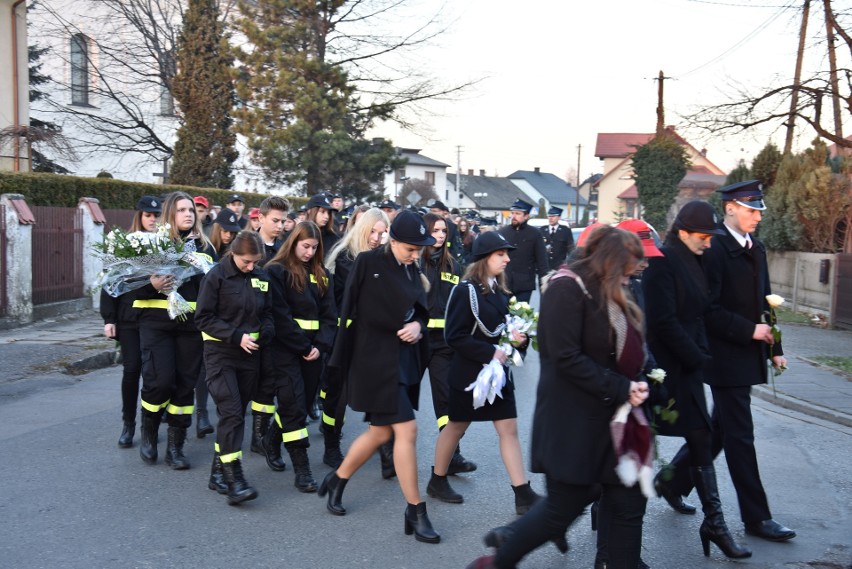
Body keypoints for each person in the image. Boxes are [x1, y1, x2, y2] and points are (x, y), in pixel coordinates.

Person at [467, 226, 651, 569]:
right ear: (609, 264)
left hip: (613, 422)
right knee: (561, 510)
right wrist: (621, 387)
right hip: (573, 424)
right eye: (626, 273)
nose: (629, 281)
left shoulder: (608, 290)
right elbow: (565, 358)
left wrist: (640, 380)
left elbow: (624, 348)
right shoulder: (566, 289)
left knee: (628, 506)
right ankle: (498, 561)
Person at [656, 181, 795, 543]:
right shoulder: (713, 249)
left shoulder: (757, 248)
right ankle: (756, 518)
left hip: (749, 353)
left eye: (759, 211)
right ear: (730, 208)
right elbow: (708, 309)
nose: (757, 217)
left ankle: (670, 480)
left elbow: (767, 302)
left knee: (718, 429)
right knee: (740, 436)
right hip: (723, 355)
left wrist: (774, 346)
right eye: (751, 210)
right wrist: (750, 331)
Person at [320, 210, 440, 544]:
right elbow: (349, 311)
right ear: (394, 240)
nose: (416, 254)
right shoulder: (368, 262)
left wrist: (418, 325)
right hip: (373, 361)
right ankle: (415, 510)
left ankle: (338, 479)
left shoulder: (411, 267)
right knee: (407, 429)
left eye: (420, 248)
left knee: (379, 433)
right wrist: (341, 360)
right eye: (411, 248)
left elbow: (419, 309)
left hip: (401, 360)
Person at [642, 200, 752, 559]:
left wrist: (701, 354)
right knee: (638, 442)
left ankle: (714, 523)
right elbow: (663, 322)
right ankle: (597, 507)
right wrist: (696, 357)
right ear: (684, 232)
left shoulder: (699, 260)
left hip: (689, 365)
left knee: (702, 437)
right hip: (666, 369)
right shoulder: (661, 262)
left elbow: (703, 312)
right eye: (704, 236)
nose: (709, 242)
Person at [428, 230, 540, 516]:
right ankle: (437, 480)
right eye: (500, 254)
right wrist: (490, 353)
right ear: (484, 258)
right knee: (456, 427)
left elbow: (506, 331)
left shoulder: (501, 291)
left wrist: (520, 341)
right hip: (469, 375)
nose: (506, 259)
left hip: (498, 376)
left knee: (508, 429)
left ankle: (522, 493)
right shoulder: (466, 290)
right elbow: (454, 336)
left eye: (507, 255)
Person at [133, 191, 217, 469]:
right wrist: (152, 286)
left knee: (184, 386)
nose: (188, 214)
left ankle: (175, 447)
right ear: (170, 214)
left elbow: (214, 289)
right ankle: (148, 431)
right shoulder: (151, 245)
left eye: (191, 210)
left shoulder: (205, 248)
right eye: (181, 210)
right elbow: (128, 285)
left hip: (190, 325)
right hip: (156, 323)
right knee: (160, 381)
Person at [195, 230, 274, 504]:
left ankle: (217, 473)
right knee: (232, 414)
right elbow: (203, 318)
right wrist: (236, 336)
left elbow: (267, 315)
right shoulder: (216, 277)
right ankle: (234, 480)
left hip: (250, 357)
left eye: (255, 262)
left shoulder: (261, 278)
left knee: (236, 415)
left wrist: (263, 333)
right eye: (246, 262)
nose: (251, 267)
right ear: (233, 254)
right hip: (221, 355)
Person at [262, 221, 337, 492]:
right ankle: (302, 469)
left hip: (314, 351)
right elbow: (279, 316)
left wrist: (321, 345)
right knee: (293, 406)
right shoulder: (276, 271)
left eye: (315, 248)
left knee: (302, 405)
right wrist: (304, 347)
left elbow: (330, 316)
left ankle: (272, 438)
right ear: (293, 243)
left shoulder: (321, 273)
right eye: (305, 246)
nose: (309, 252)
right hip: (286, 350)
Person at [321, 208, 390, 468]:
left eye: (381, 233)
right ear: (362, 229)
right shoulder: (346, 259)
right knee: (337, 397)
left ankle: (385, 450)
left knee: (377, 395)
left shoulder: (380, 259)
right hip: (344, 337)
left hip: (371, 339)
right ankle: (330, 445)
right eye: (372, 231)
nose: (376, 238)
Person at [101, 195, 161, 448]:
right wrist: (109, 318)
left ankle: (152, 422)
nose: (153, 220)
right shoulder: (122, 243)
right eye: (148, 215)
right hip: (128, 316)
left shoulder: (165, 244)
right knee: (132, 369)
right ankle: (128, 424)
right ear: (140, 216)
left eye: (157, 215)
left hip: (155, 315)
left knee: (154, 372)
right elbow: (111, 281)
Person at [419, 213, 477, 477]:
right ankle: (387, 449)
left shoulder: (452, 264)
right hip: (415, 342)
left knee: (446, 402)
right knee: (400, 397)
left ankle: (452, 454)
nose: (441, 235)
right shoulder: (414, 261)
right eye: (436, 230)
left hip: (443, 344)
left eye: (444, 231)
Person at [498, 199, 548, 302]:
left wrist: (544, 283)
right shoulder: (503, 232)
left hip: (524, 285)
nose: (514, 216)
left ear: (526, 216)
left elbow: (542, 260)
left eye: (518, 213)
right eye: (512, 213)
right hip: (504, 284)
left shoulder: (535, 234)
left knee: (521, 316)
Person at [256, 196, 289, 265]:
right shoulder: (246, 244)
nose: (280, 226)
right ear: (261, 218)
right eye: (275, 220)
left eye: (283, 222)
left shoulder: (285, 250)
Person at [305, 193, 339, 258]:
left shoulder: (334, 239)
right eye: (322, 211)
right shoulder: (299, 234)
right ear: (310, 211)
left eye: (328, 213)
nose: (327, 216)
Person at [540, 206, 574, 270]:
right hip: (545, 266)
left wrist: (570, 264)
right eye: (549, 216)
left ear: (559, 217)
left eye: (553, 216)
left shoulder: (565, 230)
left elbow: (571, 248)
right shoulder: (542, 230)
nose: (550, 218)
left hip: (559, 267)